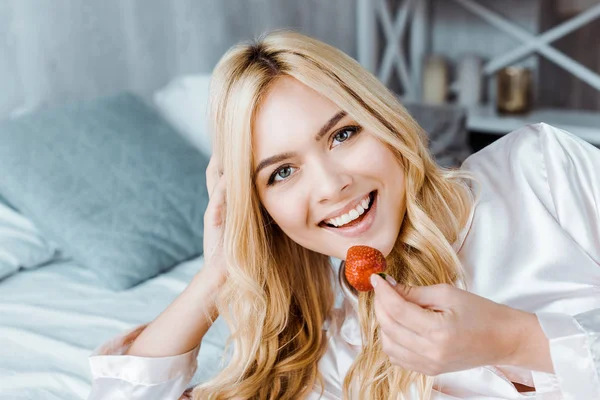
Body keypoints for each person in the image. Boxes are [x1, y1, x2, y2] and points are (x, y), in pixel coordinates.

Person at [87, 30, 600, 400]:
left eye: (343, 134)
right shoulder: (335, 348)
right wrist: (217, 273)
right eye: (281, 173)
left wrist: (517, 339)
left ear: (384, 119)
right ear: (261, 209)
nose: (332, 185)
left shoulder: (542, 171)